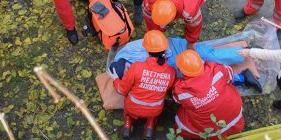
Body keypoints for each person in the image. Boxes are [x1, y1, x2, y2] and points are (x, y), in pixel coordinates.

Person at [109, 32, 262, 93]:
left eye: (129, 68)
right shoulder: (123, 67)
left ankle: (245, 52)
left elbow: (161, 47)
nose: (131, 70)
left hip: (176, 48)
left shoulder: (132, 49)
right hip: (171, 65)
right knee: (201, 77)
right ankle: (240, 78)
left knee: (211, 55)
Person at [109, 30, 176, 140]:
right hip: (155, 110)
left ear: (146, 50)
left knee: (129, 111)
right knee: (152, 115)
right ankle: (149, 126)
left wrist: (116, 79)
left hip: (132, 108)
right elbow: (167, 91)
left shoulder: (137, 67)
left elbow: (122, 90)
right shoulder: (171, 72)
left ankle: (127, 124)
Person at [172, 50, 244, 140]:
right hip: (234, 113)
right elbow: (230, 73)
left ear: (180, 70)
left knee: (180, 120)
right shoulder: (215, 69)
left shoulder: (181, 89)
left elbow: (176, 99)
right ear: (201, 61)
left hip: (209, 127)